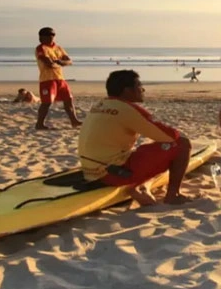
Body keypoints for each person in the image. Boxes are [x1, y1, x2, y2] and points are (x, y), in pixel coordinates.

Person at [78, 70, 193, 206]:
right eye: (139, 85)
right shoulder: (127, 109)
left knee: (145, 148)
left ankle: (143, 185)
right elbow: (170, 136)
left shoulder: (99, 105)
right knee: (182, 144)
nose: (142, 89)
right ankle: (173, 195)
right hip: (113, 173)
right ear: (127, 90)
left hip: (89, 171)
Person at [35, 27, 82, 129]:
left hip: (60, 78)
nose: (51, 37)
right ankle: (39, 124)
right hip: (47, 79)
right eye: (48, 35)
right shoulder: (41, 48)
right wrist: (60, 63)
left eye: (52, 35)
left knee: (68, 99)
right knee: (47, 102)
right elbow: (48, 63)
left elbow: (69, 61)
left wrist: (60, 62)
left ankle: (74, 121)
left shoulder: (58, 48)